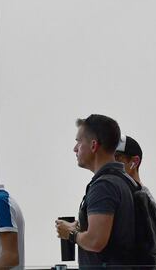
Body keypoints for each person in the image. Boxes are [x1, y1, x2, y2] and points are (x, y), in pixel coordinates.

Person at [55, 114, 135, 266]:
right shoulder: (125, 181)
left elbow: (95, 241)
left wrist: (71, 234)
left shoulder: (104, 186)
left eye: (78, 142)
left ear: (93, 145)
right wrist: (81, 227)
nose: (74, 149)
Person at [115, 134, 156, 262]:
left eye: (117, 158)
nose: (112, 163)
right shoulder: (122, 193)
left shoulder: (141, 197)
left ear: (134, 161)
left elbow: (149, 251)